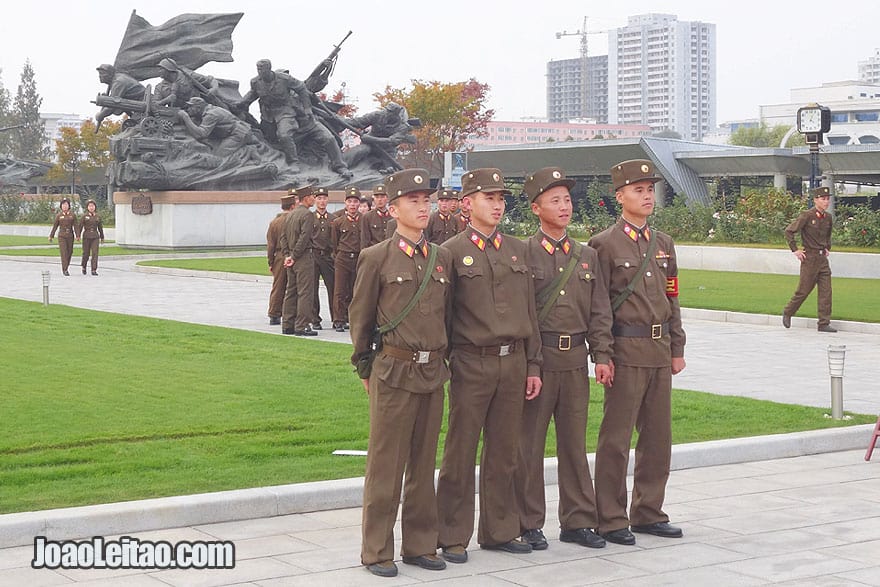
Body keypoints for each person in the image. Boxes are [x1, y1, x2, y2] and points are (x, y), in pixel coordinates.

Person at [349, 167, 453, 578]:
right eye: (413, 201)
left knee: (424, 462)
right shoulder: (376, 257)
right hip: (393, 370)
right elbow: (361, 316)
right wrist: (363, 365)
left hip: (432, 373)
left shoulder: (441, 257)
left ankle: (420, 544)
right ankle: (376, 550)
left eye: (426, 201)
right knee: (386, 465)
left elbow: (449, 316)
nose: (422, 207)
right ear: (393, 209)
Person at [436, 168, 542, 562]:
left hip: (513, 362)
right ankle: (451, 534)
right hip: (471, 363)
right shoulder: (449, 251)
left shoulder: (518, 249)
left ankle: (500, 529)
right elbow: (442, 315)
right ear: (467, 204)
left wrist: (533, 364)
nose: (497, 205)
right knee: (460, 452)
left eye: (501, 198)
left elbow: (528, 311)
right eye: (488, 198)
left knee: (504, 451)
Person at [588, 159, 687, 546]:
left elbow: (673, 297)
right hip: (625, 350)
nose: (647, 196)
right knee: (616, 439)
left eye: (650, 190)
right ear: (620, 197)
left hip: (659, 349)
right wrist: (603, 355)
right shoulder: (603, 244)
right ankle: (611, 517)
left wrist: (677, 346)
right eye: (638, 190)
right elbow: (599, 307)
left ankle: (648, 511)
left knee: (658, 437)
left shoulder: (663, 244)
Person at [515, 167, 614, 551]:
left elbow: (599, 310)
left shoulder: (586, 255)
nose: (564, 207)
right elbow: (523, 314)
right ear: (536, 208)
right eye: (555, 200)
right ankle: (529, 521)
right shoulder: (523, 252)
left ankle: (578, 520)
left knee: (574, 443)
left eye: (568, 200)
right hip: (540, 362)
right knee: (530, 445)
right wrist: (531, 365)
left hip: (575, 360)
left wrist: (601, 354)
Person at [236, 59, 312, 166]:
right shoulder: (255, 82)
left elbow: (301, 88)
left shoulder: (284, 78)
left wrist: (307, 108)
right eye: (258, 69)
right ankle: (277, 161)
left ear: (269, 68)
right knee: (267, 140)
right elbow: (252, 94)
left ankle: (294, 163)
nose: (259, 72)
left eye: (261, 69)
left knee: (284, 135)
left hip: (285, 111)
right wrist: (241, 103)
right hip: (267, 115)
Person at [783, 186, 836, 332]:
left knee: (826, 292)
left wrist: (827, 247)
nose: (826, 202)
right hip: (810, 258)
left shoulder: (828, 218)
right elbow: (789, 231)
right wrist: (795, 250)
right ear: (815, 200)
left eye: (827, 199)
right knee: (804, 290)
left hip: (822, 260)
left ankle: (824, 323)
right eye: (823, 199)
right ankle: (788, 312)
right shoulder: (807, 215)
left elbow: (828, 235)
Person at [279, 185, 318, 336]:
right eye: (312, 196)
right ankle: (301, 326)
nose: (314, 199)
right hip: (303, 258)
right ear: (306, 198)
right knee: (305, 293)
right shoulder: (307, 215)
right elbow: (304, 237)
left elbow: (283, 237)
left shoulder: (290, 214)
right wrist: (294, 256)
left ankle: (287, 325)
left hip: (292, 259)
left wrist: (288, 255)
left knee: (291, 291)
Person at [177, 97, 258, 159]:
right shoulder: (207, 111)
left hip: (238, 134)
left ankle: (248, 151)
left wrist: (185, 117)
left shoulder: (211, 114)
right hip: (227, 133)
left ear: (198, 108)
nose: (188, 109)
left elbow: (201, 134)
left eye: (191, 107)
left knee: (219, 158)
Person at [331, 187, 363, 332]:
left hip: (358, 258)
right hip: (343, 258)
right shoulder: (338, 222)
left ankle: (351, 318)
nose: (352, 205)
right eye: (350, 201)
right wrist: (338, 255)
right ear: (345, 203)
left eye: (355, 202)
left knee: (354, 290)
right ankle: (338, 319)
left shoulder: (364, 220)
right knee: (340, 290)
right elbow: (334, 243)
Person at [267, 192, 297, 325]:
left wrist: (271, 262)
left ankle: (274, 314)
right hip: (293, 255)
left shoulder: (274, 222)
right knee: (294, 286)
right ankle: (291, 313)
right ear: (292, 206)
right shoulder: (295, 219)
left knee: (278, 286)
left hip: (279, 256)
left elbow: (271, 245)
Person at [310, 187, 338, 330]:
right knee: (313, 289)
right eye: (319, 198)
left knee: (333, 288)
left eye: (324, 198)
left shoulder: (333, 219)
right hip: (314, 256)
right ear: (315, 200)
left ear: (328, 200)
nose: (322, 201)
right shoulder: (310, 218)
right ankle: (315, 319)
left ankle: (336, 318)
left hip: (328, 256)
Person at [153, 58, 219, 108]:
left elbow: (211, 80)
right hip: (180, 115)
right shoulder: (159, 87)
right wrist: (166, 100)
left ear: (169, 69)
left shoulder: (187, 75)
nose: (159, 71)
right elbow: (154, 105)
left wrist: (214, 89)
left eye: (161, 69)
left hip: (200, 109)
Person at [48, 197, 79, 276]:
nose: (65, 206)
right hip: (62, 236)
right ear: (61, 206)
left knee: (69, 252)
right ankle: (65, 269)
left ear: (69, 205)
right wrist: (51, 236)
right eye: (63, 204)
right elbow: (55, 226)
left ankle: (66, 266)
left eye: (66, 204)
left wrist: (77, 235)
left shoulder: (73, 215)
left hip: (70, 235)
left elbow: (76, 226)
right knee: (64, 252)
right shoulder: (59, 215)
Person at [77, 199, 105, 276]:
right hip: (86, 236)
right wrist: (78, 235)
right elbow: (80, 227)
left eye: (93, 206)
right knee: (86, 253)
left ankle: (94, 269)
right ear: (87, 207)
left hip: (95, 236)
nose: (91, 207)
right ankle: (84, 266)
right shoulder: (84, 216)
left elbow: (100, 227)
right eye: (90, 206)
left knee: (95, 253)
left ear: (95, 207)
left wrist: (102, 237)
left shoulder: (97, 217)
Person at [360, 184, 393, 248]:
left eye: (382, 197)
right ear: (373, 199)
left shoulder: (393, 216)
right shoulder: (367, 217)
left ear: (387, 198)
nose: (379, 200)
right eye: (377, 197)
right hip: (374, 253)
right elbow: (365, 240)